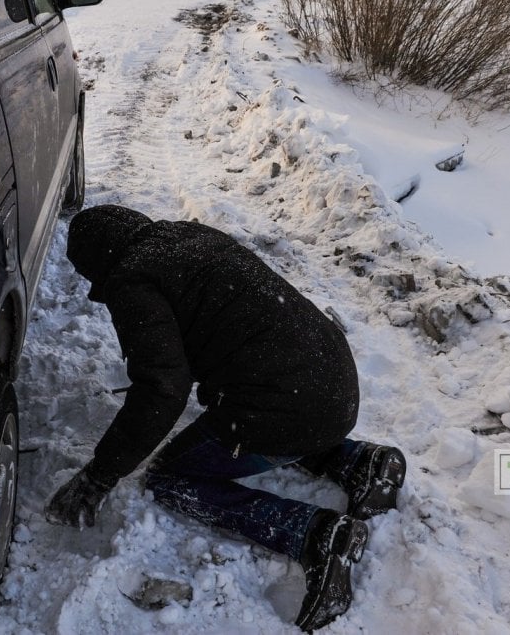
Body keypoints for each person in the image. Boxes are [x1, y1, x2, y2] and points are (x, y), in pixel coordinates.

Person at [45, 204, 406, 632]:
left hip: (292, 405)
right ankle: (360, 463)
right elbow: (233, 322)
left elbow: (162, 391)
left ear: (97, 263)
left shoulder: (132, 280)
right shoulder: (187, 238)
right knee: (261, 410)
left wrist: (99, 476)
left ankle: (314, 536)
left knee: (171, 477)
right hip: (332, 382)